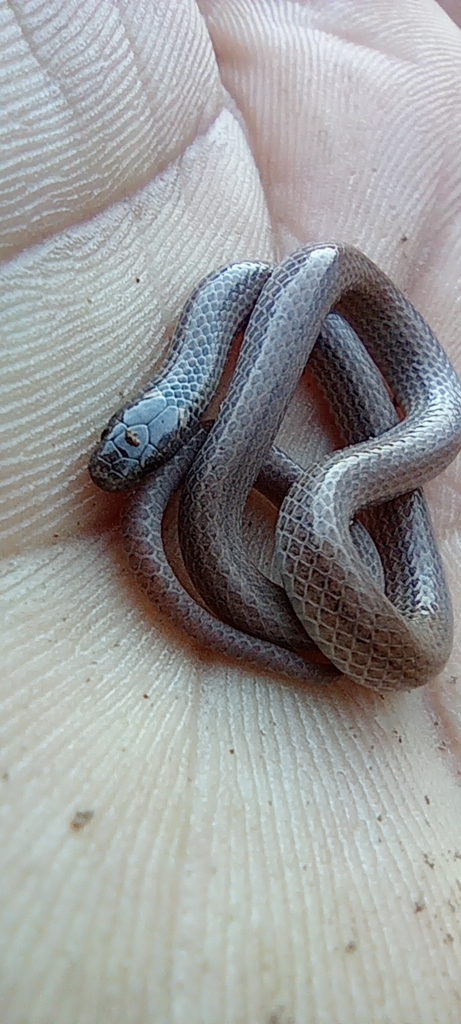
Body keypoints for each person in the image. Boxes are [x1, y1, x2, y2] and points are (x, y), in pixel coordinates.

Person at [1, 2, 460, 1021]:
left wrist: (349, 640)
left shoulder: (255, 354)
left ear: (171, 417)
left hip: (363, 584)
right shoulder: (221, 332)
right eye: (134, 451)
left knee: (329, 495)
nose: (119, 462)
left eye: (139, 453)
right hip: (265, 463)